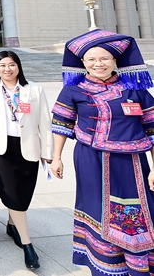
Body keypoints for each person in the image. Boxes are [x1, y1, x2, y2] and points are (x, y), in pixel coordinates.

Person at [51, 29, 154, 275]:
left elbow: (152, 129)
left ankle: (138, 265)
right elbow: (61, 124)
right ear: (83, 63)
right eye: (92, 59)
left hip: (133, 162)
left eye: (104, 58)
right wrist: (56, 158)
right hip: (91, 159)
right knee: (98, 209)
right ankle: (106, 265)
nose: (99, 64)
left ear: (115, 61)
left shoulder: (134, 89)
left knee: (138, 210)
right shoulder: (73, 90)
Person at [0, 51, 53, 269]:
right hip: (2, 149)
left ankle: (12, 224)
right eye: (2, 65)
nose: (7, 69)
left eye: (11, 65)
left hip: (29, 147)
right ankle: (27, 243)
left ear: (19, 66)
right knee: (11, 192)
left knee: (24, 193)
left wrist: (48, 151)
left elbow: (45, 123)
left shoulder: (34, 90)